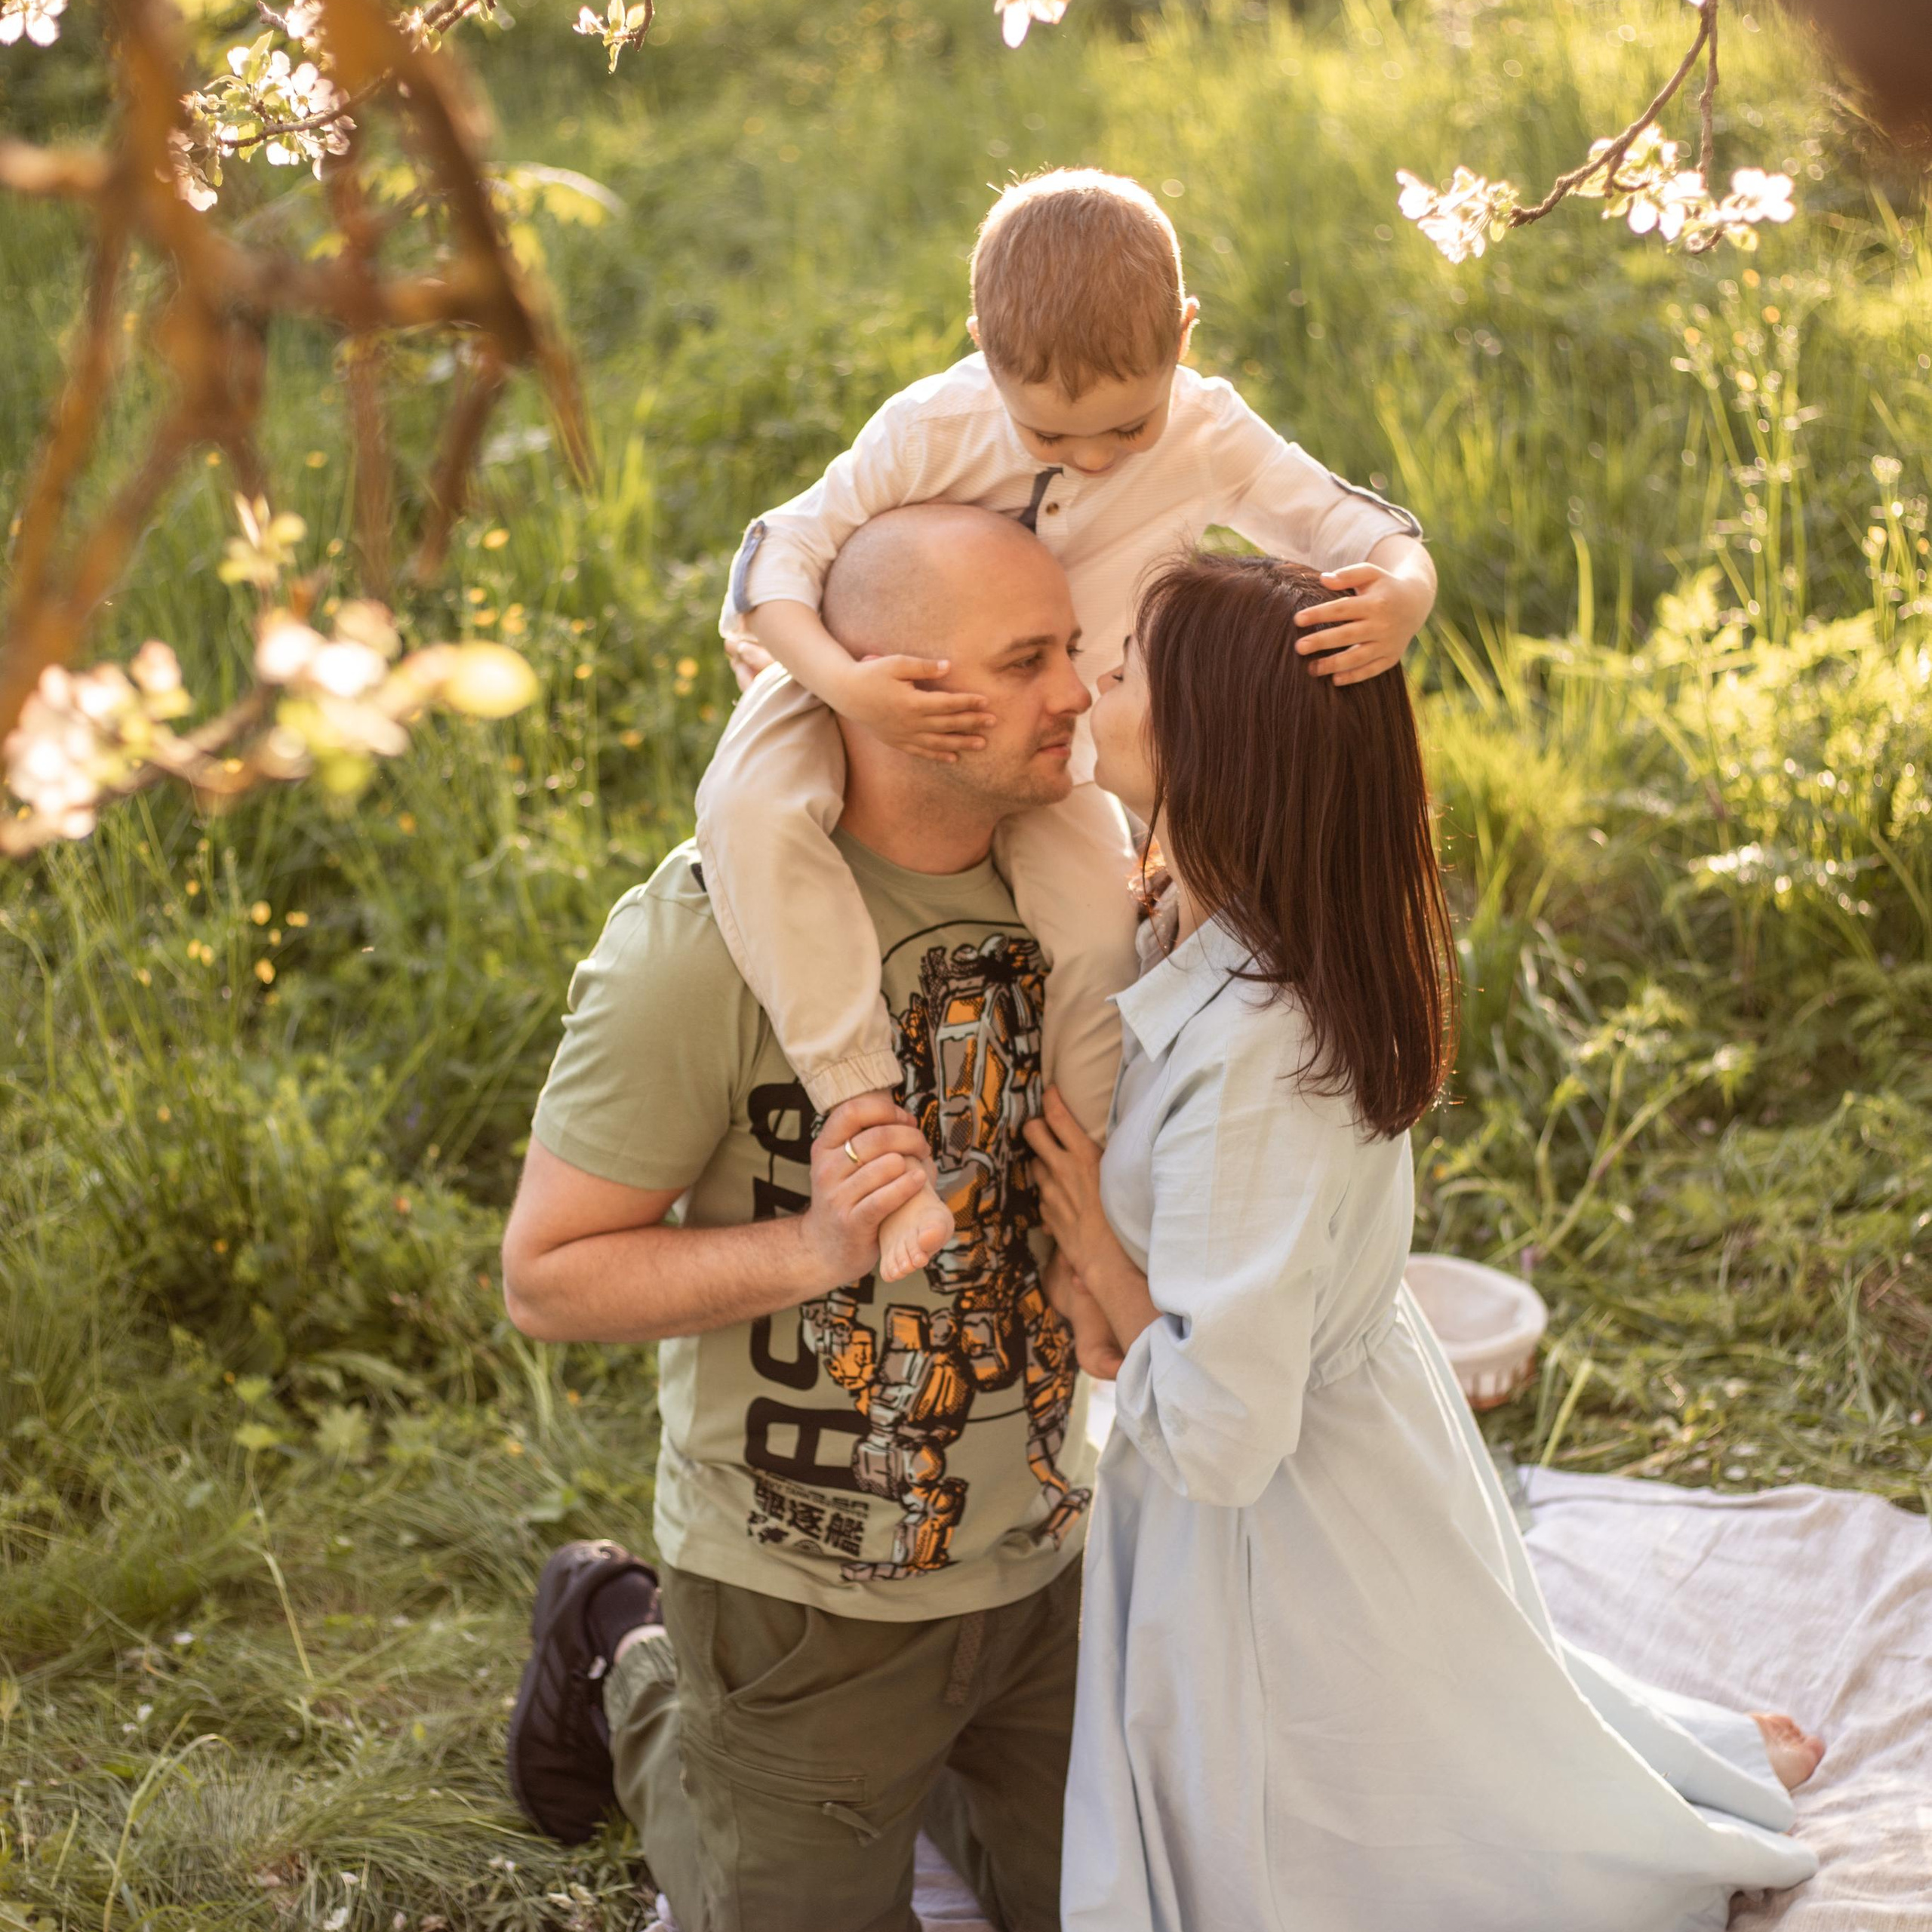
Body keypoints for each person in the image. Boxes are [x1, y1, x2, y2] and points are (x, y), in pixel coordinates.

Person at [1021, 550, 1826, 1932]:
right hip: (1345, 1453)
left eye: (1130, 667)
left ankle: (1641, 1819)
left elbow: (1220, 1436)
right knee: (1470, 1714)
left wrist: (1100, 1262)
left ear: (1222, 746)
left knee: (1368, 1836)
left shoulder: (1261, 1059)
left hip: (1278, 1521)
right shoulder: (1206, 925)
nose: (1095, 677)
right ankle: (1643, 1779)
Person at [500, 505, 1107, 1932]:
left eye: (1072, 649)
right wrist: (818, 1248)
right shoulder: (701, 948)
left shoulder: (1078, 893)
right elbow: (547, 1277)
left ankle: (935, 1769)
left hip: (1046, 1571)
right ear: (894, 691)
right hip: (802, 1608)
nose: (1076, 693)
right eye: (1028, 662)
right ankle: (617, 1654)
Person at [700, 167, 1438, 1287]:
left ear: (1183, 339)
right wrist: (847, 686)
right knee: (750, 812)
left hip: (1056, 736)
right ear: (982, 348)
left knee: (1100, 937)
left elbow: (1358, 526)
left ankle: (1078, 1236)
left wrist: (1405, 591)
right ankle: (863, 1111)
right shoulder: (934, 424)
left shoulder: (1209, 430)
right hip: (864, 681)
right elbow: (778, 563)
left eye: (1126, 428)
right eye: (1050, 431)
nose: (1092, 458)